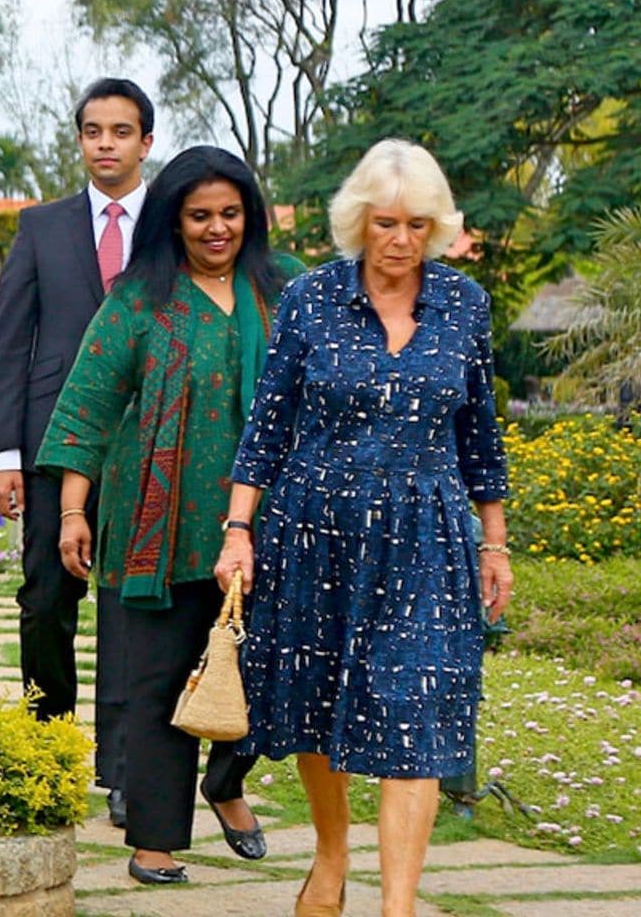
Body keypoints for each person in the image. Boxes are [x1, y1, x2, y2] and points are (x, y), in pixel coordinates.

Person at [217, 139, 511, 917]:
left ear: (437, 227)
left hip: (428, 536)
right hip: (314, 530)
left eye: (417, 225)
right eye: (385, 223)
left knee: (413, 710)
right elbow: (268, 426)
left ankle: (399, 907)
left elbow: (480, 433)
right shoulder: (311, 299)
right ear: (359, 222)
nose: (401, 241)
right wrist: (237, 531)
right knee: (318, 701)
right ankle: (331, 856)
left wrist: (496, 540)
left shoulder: (465, 304)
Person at [36, 146, 298, 885]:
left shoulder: (285, 297)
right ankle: (155, 841)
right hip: (162, 528)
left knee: (272, 671)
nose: (217, 229)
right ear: (173, 221)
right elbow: (86, 410)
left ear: (251, 215)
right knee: (158, 683)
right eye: (199, 216)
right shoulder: (139, 301)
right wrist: (73, 513)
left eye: (230, 213)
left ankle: (226, 781)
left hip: (270, 528)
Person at [0, 77, 158, 824]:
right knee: (46, 600)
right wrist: (4, 455)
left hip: (152, 442)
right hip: (55, 442)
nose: (106, 145)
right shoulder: (42, 226)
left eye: (121, 132)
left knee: (128, 608)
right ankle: (45, 746)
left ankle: (123, 768)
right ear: (80, 140)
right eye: (93, 132)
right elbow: (9, 342)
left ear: (145, 142)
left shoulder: (172, 227)